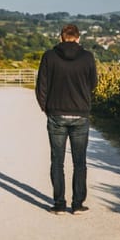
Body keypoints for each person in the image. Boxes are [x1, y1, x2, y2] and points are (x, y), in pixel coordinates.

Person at [35, 24, 97, 215]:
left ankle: (59, 204)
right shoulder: (87, 57)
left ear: (60, 38)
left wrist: (46, 108)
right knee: (80, 162)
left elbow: (41, 86)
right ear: (78, 38)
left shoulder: (49, 56)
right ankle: (77, 204)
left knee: (57, 161)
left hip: (56, 114)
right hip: (80, 114)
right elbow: (93, 83)